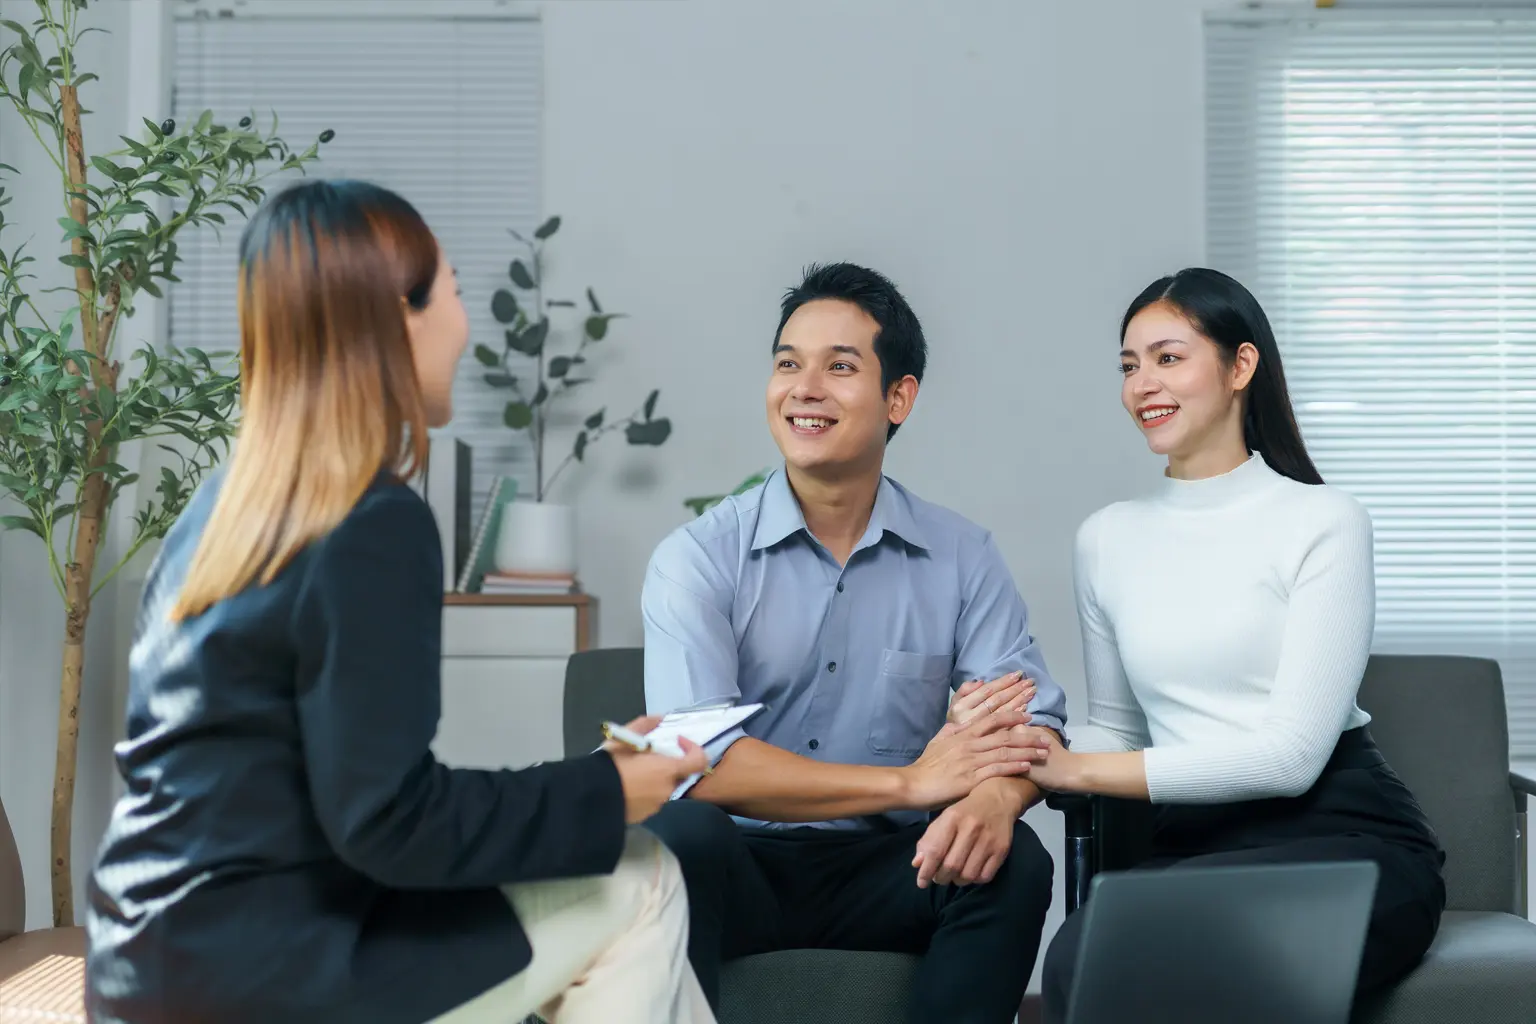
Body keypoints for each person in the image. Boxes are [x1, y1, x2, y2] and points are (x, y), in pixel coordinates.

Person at [85, 180, 716, 1024]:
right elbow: (389, 823)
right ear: (398, 319)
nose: (465, 325)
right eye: (452, 291)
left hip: (145, 970)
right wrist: (608, 794)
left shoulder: (217, 515)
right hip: (266, 980)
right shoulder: (371, 521)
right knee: (642, 875)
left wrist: (594, 779)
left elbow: (353, 798)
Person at [641, 262, 1066, 1024]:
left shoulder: (962, 556)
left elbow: (1027, 724)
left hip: (892, 866)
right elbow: (699, 761)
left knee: (1012, 858)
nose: (804, 388)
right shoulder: (699, 557)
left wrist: (998, 797)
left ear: (898, 397)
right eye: (787, 364)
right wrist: (913, 783)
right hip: (740, 864)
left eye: (840, 367)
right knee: (679, 836)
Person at [1025, 267, 1446, 1022]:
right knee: (1076, 959)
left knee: (1209, 955)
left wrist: (1075, 765)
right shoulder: (1106, 539)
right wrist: (1018, 740)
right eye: (1129, 365)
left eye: (1168, 357)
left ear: (1240, 366)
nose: (1142, 384)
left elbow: (1289, 758)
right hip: (1196, 847)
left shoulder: (1324, 521)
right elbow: (1120, 731)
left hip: (1342, 837)